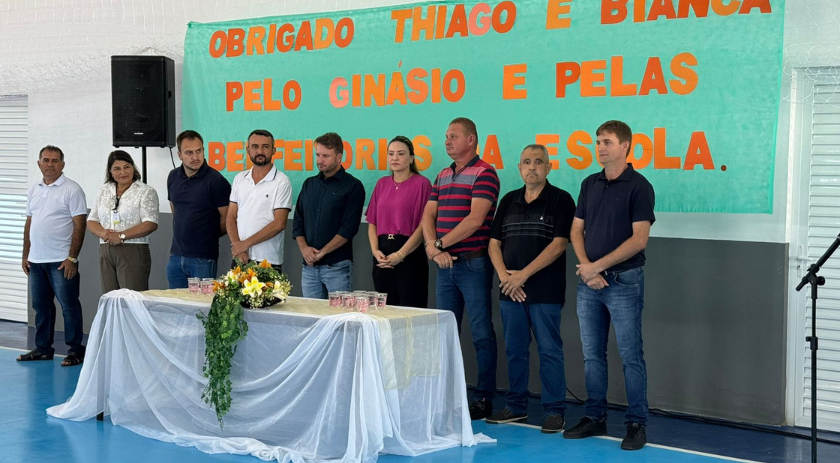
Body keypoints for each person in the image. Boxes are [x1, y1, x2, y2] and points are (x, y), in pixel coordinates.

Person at [564, 120, 655, 450]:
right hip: (590, 284)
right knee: (592, 355)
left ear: (625, 146)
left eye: (607, 141)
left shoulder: (639, 186)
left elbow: (639, 240)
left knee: (631, 356)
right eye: (597, 141)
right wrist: (589, 271)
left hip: (624, 282)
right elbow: (576, 230)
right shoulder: (590, 183)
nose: (600, 147)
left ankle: (636, 423)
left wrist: (595, 268)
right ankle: (595, 417)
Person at [486, 144, 576, 433]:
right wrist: (505, 277)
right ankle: (516, 406)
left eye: (539, 162)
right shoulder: (509, 200)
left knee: (550, 350)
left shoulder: (561, 200)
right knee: (514, 350)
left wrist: (521, 276)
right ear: (519, 168)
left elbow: (559, 244)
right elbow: (493, 244)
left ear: (549, 167)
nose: (532, 167)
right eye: (526, 162)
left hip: (545, 291)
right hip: (509, 290)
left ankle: (554, 410)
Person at [421, 117, 499, 419]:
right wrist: (432, 247)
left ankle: (483, 397)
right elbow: (428, 216)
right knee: (444, 333)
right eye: (446, 136)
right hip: (444, 267)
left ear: (471, 140)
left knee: (480, 333)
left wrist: (439, 245)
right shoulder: (441, 175)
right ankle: (446, 392)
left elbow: (474, 221)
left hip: (472, 264)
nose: (447, 141)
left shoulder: (485, 173)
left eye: (453, 136)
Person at [17, 145, 87, 366]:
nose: (50, 164)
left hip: (61, 261)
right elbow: (30, 223)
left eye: (55, 161)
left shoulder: (72, 189)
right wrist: (25, 254)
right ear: (39, 163)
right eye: (46, 160)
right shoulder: (34, 189)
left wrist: (72, 258)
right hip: (36, 261)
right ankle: (43, 349)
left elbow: (80, 225)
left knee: (69, 305)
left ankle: (76, 350)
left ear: (62, 165)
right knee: (41, 307)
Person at [293, 132, 365, 298]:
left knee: (338, 319)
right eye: (318, 155)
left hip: (337, 267)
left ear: (339, 157)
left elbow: (349, 228)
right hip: (309, 268)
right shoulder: (309, 184)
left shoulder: (353, 186)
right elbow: (298, 222)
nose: (320, 160)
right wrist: (304, 249)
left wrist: (322, 252)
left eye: (326, 156)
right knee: (311, 319)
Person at [365, 136, 432, 308]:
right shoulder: (382, 183)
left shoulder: (422, 184)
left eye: (400, 154)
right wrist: (375, 251)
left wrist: (401, 255)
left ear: (411, 158)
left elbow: (424, 225)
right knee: (386, 312)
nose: (394, 158)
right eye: (391, 154)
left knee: (410, 312)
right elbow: (372, 222)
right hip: (382, 255)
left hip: (409, 253)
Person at [166, 130, 231, 287]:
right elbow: (175, 209)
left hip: (203, 258)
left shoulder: (216, 181)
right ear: (179, 155)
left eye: (199, 151)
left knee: (201, 308)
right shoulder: (173, 176)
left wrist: (206, 235)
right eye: (189, 153)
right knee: (176, 306)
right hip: (175, 256)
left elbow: (228, 219)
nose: (195, 157)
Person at [87, 150, 159, 292]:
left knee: (131, 300)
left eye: (127, 167)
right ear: (110, 172)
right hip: (106, 249)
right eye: (117, 169)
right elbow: (91, 220)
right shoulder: (104, 191)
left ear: (133, 168)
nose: (123, 172)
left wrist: (121, 236)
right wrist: (105, 234)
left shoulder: (145, 191)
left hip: (132, 249)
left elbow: (150, 223)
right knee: (110, 299)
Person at [227, 129, 292, 271]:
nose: (260, 151)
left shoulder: (282, 182)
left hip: (267, 261)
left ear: (274, 150)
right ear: (248, 150)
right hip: (240, 258)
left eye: (265, 147)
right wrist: (239, 247)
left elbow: (279, 223)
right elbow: (231, 217)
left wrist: (245, 244)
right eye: (255, 147)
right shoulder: (240, 178)